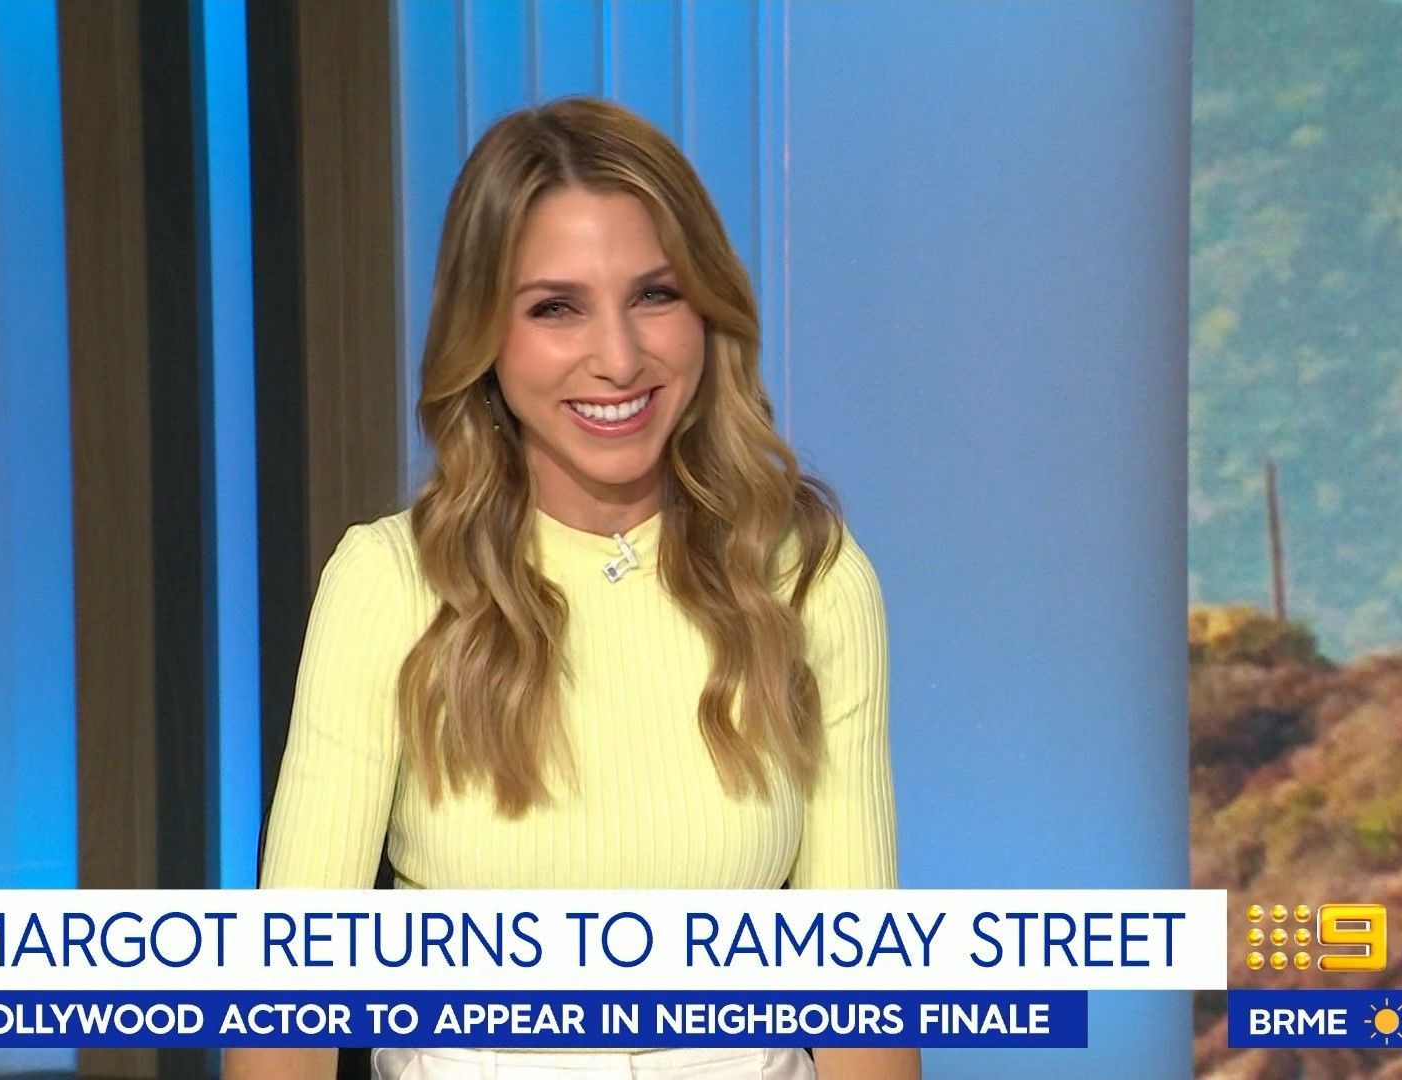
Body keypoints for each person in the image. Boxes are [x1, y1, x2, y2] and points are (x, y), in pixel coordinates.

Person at [225, 96, 913, 1080]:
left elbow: (864, 1004)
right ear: (483, 335)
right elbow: (284, 1010)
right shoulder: (389, 586)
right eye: (556, 307)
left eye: (656, 295)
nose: (620, 359)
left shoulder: (806, 580)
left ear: (708, 310)